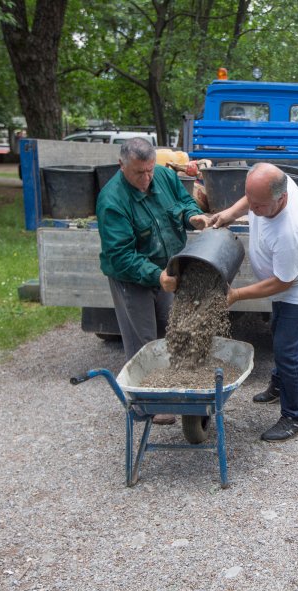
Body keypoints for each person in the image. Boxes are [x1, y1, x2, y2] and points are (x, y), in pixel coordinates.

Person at [207, 163, 298, 442]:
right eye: (250, 200)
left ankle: (295, 415)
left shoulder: (291, 230)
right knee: (278, 332)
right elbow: (251, 199)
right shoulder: (274, 184)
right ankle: (279, 384)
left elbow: (283, 282)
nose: (252, 209)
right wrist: (228, 213)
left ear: (281, 199)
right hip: (286, 284)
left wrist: (236, 295)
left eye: (259, 206)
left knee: (287, 350)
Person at [96, 138, 210, 424]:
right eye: (139, 173)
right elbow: (121, 256)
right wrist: (156, 276)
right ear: (122, 166)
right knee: (143, 338)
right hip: (131, 276)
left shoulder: (165, 175)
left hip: (167, 269)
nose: (146, 178)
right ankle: (144, 403)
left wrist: (192, 216)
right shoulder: (112, 201)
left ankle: (169, 391)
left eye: (149, 170)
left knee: (172, 328)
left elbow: (184, 201)